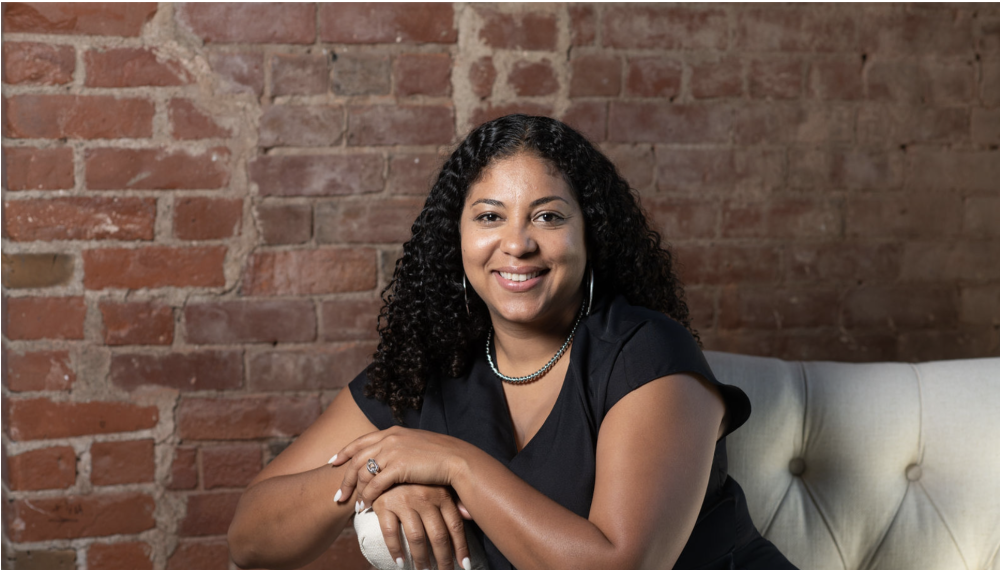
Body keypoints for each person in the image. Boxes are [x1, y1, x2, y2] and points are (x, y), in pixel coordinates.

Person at [228, 115, 796, 570]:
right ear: (458, 238)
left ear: (588, 236)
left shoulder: (646, 351)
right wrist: (373, 481)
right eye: (490, 216)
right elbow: (250, 537)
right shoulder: (431, 362)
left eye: (548, 217)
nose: (517, 244)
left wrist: (452, 463)